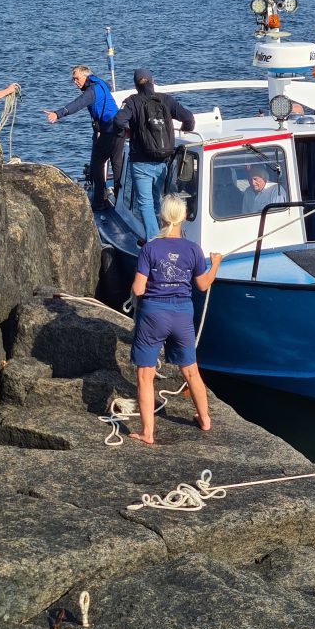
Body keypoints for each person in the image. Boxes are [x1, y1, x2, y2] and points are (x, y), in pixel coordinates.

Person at [129, 194, 222, 445]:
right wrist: (215, 264)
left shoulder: (149, 248)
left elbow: (138, 289)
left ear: (162, 217)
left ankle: (148, 433)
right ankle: (205, 419)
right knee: (191, 372)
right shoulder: (193, 249)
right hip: (182, 314)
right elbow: (203, 285)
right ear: (184, 217)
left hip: (153, 315)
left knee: (145, 375)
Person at [114, 68, 195, 240]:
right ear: (152, 82)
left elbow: (119, 121)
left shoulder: (132, 101)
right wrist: (186, 129)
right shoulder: (166, 99)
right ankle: (166, 235)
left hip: (140, 162)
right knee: (159, 200)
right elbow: (189, 118)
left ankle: (154, 240)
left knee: (145, 203)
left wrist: (129, 131)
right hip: (163, 160)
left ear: (136, 85)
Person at [42, 66, 124, 210]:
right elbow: (109, 86)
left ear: (85, 76)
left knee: (97, 164)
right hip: (119, 127)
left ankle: (99, 202)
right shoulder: (100, 82)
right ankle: (120, 196)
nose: (75, 82)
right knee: (116, 163)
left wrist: (57, 114)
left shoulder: (91, 91)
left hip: (109, 129)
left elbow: (77, 104)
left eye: (77, 79)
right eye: (73, 79)